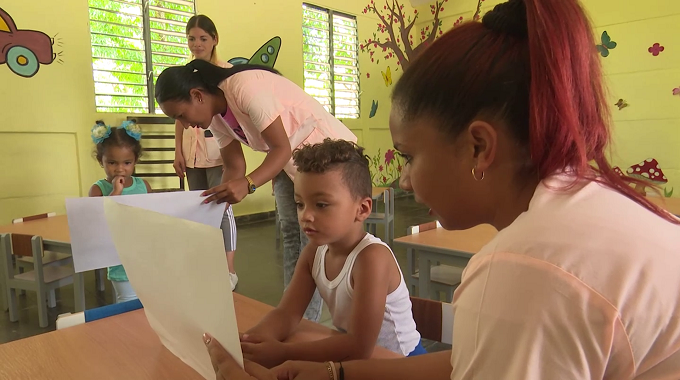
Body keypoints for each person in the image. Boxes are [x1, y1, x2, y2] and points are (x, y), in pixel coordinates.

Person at [202, 0, 680, 378]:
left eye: (409, 156)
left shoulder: (525, 268)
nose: (404, 180)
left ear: (478, 147)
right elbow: (466, 363)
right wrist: (335, 374)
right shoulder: (586, 198)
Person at [155, 59, 357, 322]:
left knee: (314, 239)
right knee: (292, 236)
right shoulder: (215, 119)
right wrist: (217, 201)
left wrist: (249, 184)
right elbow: (234, 165)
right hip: (289, 160)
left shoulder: (244, 88)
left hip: (326, 154)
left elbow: (279, 148)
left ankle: (305, 322)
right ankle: (291, 314)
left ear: (197, 95)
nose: (184, 125)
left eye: (181, 115)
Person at [240, 139, 424, 368]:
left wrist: (284, 352)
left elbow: (359, 346)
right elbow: (287, 314)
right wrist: (249, 341)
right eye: (300, 204)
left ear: (362, 209)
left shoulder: (372, 258)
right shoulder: (313, 253)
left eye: (321, 205)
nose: (306, 216)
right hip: (356, 360)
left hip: (402, 364)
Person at [173, 15, 239, 290]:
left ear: (214, 40)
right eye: (192, 38)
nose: (197, 44)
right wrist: (178, 150)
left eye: (203, 38)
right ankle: (205, 266)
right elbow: (179, 115)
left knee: (221, 209)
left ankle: (228, 270)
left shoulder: (224, 72)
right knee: (198, 210)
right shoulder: (185, 74)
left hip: (218, 151)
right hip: (193, 154)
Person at [88, 120, 152, 304]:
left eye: (127, 162)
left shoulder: (144, 186)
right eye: (112, 162)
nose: (119, 168)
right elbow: (98, 223)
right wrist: (116, 192)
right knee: (127, 310)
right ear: (101, 161)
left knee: (149, 307)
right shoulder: (98, 190)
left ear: (135, 161)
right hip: (120, 265)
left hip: (146, 261)